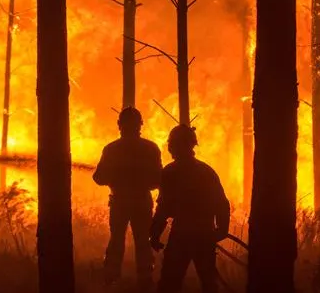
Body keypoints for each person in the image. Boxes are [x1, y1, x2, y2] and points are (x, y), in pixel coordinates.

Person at [149, 125, 230, 293]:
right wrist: (221, 230)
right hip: (204, 234)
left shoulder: (170, 172)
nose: (170, 148)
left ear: (174, 146)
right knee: (209, 284)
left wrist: (154, 234)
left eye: (172, 144)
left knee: (169, 284)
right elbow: (222, 203)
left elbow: (163, 209)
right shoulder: (206, 171)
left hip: (182, 234)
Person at [93, 107, 163, 289]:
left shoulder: (111, 149)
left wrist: (115, 177)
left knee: (116, 239)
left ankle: (111, 278)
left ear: (119, 125)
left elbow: (98, 178)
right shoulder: (151, 148)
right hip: (142, 202)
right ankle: (145, 279)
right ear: (140, 125)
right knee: (143, 240)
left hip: (119, 202)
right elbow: (158, 180)